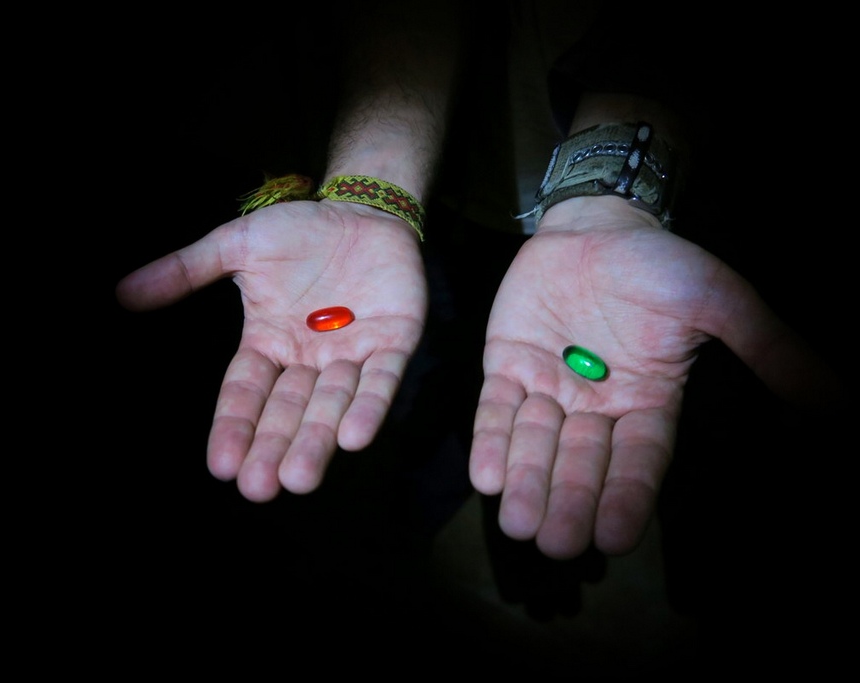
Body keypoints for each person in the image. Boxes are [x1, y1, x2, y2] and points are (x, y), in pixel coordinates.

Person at [114, 0, 845, 570]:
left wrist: (612, 199)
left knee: (587, 475)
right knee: (426, 441)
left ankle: (529, 557)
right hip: (436, 218)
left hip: (655, 218)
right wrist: (370, 193)